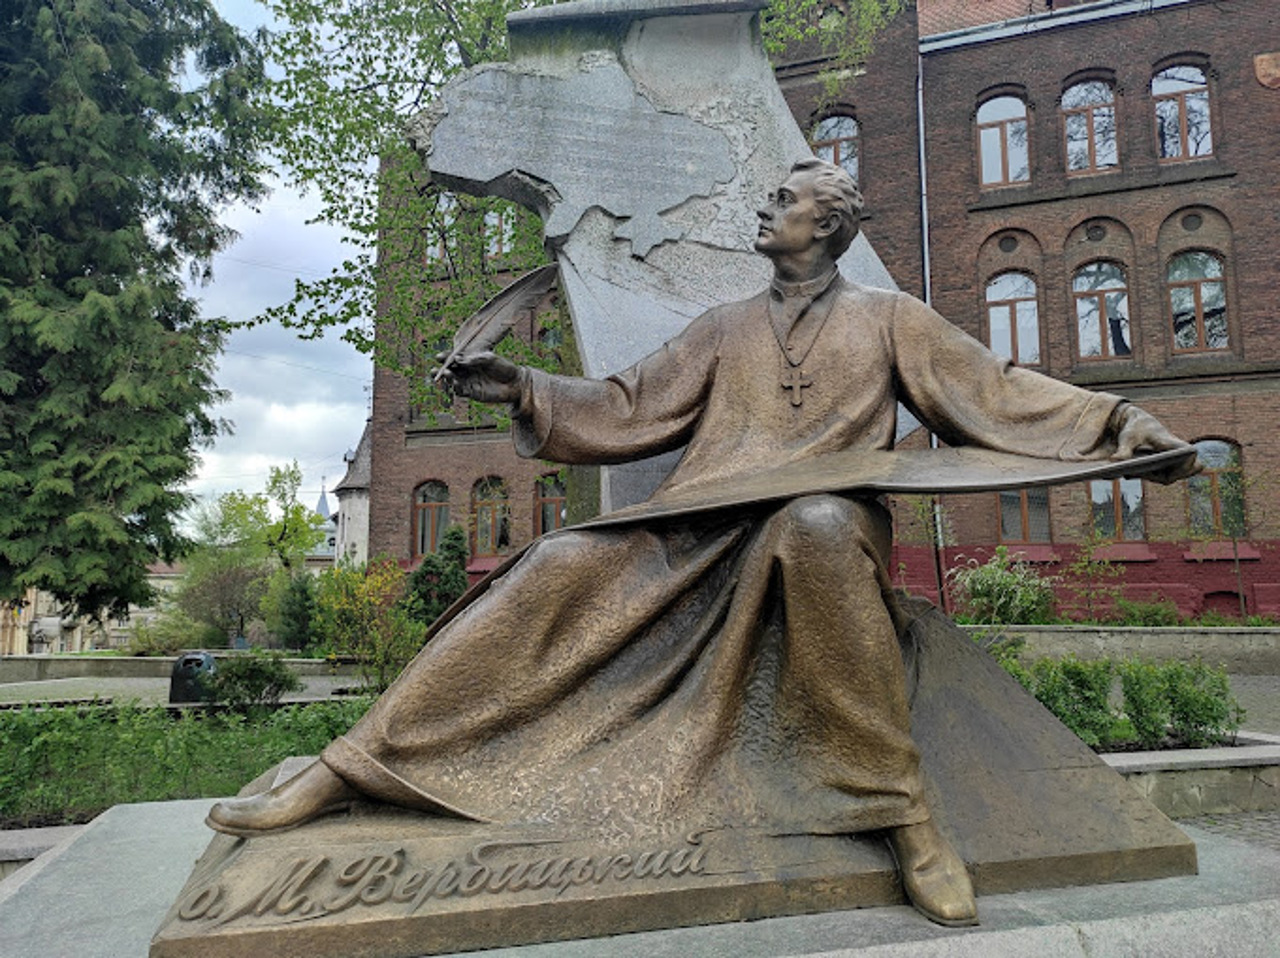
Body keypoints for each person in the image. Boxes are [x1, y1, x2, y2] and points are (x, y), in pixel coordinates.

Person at [208, 158, 1194, 927]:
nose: (763, 211)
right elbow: (625, 405)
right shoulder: (723, 327)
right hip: (693, 525)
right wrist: (517, 384)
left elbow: (997, 393)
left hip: (821, 518)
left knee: (808, 528)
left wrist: (1119, 427)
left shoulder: (892, 322)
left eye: (783, 199)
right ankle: (353, 765)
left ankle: (900, 810)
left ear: (829, 225)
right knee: (555, 562)